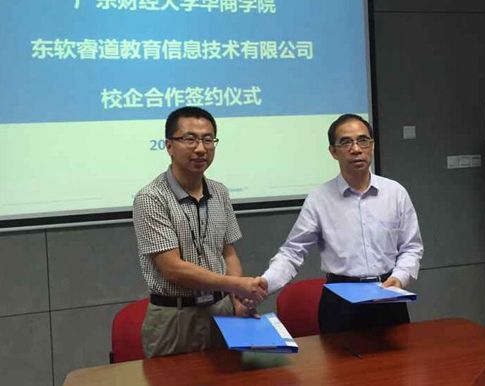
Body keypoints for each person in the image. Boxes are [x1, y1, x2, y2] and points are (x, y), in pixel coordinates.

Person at [261, 113, 424, 333]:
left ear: (372, 145)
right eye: (346, 142)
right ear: (333, 151)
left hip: (389, 294)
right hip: (339, 301)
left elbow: (411, 247)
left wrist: (399, 278)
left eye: (363, 140)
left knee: (399, 355)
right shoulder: (319, 199)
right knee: (338, 356)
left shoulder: (395, 193)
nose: (356, 149)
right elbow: (292, 253)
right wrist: (265, 283)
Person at [133, 106, 266, 357]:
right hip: (175, 317)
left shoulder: (220, 192)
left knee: (231, 373)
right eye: (190, 139)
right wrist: (237, 285)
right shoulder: (151, 198)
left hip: (223, 310)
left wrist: (236, 300)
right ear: (169, 146)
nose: (201, 148)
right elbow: (173, 269)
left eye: (208, 139)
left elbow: (228, 253)